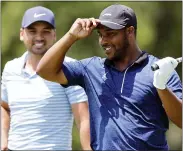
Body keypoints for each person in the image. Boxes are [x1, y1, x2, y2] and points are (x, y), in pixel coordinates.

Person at [36, 4, 182, 150]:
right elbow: (44, 70)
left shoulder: (159, 70)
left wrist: (161, 86)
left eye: (110, 34)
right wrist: (71, 36)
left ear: (130, 31)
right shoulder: (91, 68)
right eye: (100, 34)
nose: (103, 41)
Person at [1, 6, 91, 150]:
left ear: (54, 35)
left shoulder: (69, 68)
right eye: (32, 31)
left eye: (46, 31)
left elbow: (83, 120)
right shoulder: (11, 68)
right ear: (21, 34)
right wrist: (3, 139)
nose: (39, 37)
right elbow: (4, 107)